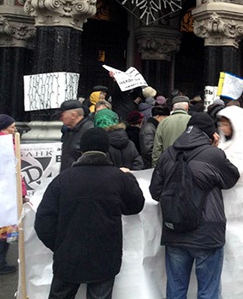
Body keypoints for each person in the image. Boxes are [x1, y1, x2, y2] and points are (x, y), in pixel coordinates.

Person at [34, 127, 145, 298]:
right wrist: (129, 177)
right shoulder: (118, 178)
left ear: (81, 150)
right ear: (106, 150)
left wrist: (59, 245)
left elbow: (43, 220)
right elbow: (135, 206)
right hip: (105, 254)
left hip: (68, 255)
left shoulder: (63, 179)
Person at [150, 112, 239, 299]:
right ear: (211, 134)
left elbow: (155, 192)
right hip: (207, 232)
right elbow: (231, 178)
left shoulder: (168, 154)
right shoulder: (213, 154)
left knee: (175, 290)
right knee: (208, 292)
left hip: (174, 230)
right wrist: (215, 148)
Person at [0, 114, 21, 275]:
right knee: (4, 229)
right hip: (6, 193)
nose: (15, 130)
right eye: (12, 127)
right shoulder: (6, 146)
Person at [216, 105, 243, 186]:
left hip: (239, 187)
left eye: (225, 125)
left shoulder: (242, 142)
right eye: (221, 124)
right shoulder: (222, 141)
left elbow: (242, 168)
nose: (222, 128)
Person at [152, 96, 191, 167]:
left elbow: (157, 148)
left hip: (168, 165)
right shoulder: (192, 121)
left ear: (173, 108)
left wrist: (155, 166)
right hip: (188, 165)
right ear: (187, 108)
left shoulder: (163, 122)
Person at [58, 100, 94, 172]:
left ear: (73, 115)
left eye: (62, 115)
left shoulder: (90, 131)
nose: (60, 118)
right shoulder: (69, 131)